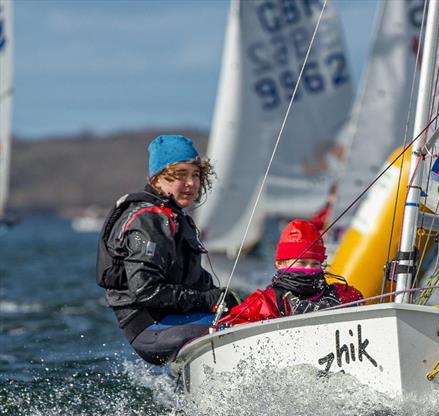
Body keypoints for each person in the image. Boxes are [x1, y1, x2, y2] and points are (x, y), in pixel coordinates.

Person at [97, 134, 237, 365]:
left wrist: (224, 297)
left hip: (177, 319)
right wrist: (205, 300)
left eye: (195, 174)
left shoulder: (174, 218)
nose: (191, 183)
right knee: (235, 328)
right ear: (157, 179)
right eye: (180, 175)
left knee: (250, 315)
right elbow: (146, 291)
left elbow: (195, 283)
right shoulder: (148, 221)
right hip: (151, 328)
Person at [218, 219, 363, 327]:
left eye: (315, 264)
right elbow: (227, 330)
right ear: (280, 264)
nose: (309, 270)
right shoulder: (265, 302)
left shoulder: (345, 295)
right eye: (301, 263)